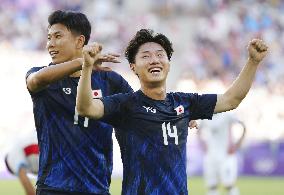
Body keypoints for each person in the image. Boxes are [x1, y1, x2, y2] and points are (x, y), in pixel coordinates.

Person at [76, 29, 268, 194]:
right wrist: (87, 67)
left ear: (168, 63)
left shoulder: (185, 102)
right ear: (133, 67)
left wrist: (252, 62)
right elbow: (86, 107)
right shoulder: (125, 104)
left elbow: (230, 100)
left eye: (160, 55)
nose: (154, 60)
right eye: (146, 56)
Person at [25, 10, 133, 195]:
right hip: (52, 187)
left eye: (57, 36)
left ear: (79, 41)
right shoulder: (42, 76)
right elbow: (35, 81)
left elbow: (139, 108)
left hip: (97, 188)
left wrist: (176, 114)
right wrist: (84, 62)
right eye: (49, 37)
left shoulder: (110, 80)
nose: (50, 44)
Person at [198, 113, 246, 195]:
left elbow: (243, 125)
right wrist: (202, 143)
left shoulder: (227, 114)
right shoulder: (205, 114)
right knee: (212, 186)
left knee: (229, 185)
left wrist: (238, 144)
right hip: (210, 156)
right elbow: (198, 130)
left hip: (226, 156)